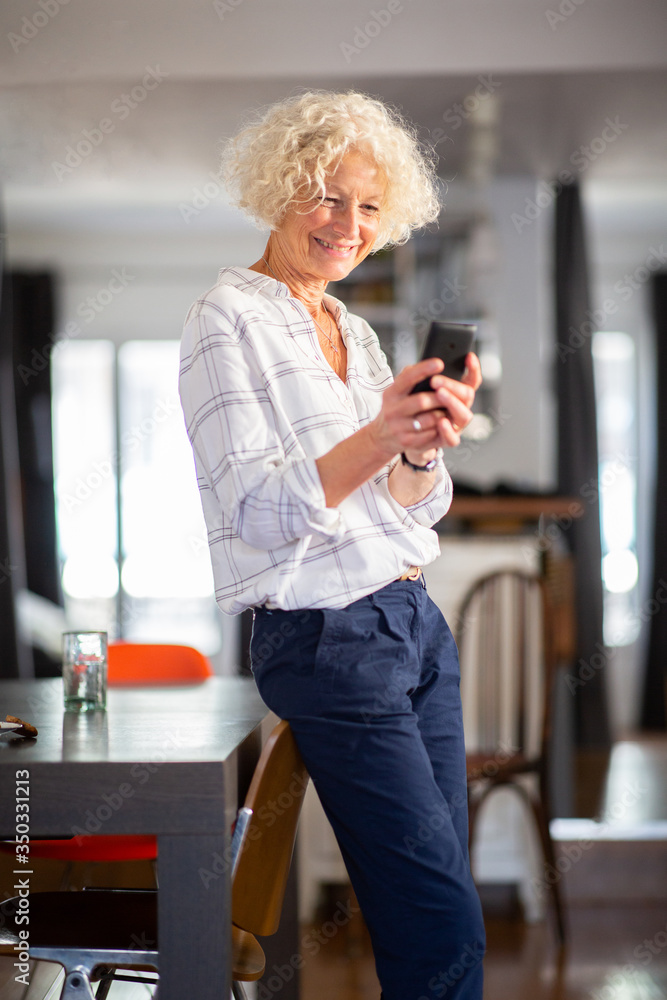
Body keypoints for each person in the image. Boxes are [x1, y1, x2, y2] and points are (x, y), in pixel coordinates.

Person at [179, 90, 485, 1000]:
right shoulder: (222, 318)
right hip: (327, 638)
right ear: (277, 191)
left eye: (366, 207)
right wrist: (381, 437)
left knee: (438, 898)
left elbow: (408, 515)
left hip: (412, 623)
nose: (347, 225)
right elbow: (258, 510)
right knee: (439, 917)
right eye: (325, 196)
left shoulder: (351, 328)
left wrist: (421, 449)